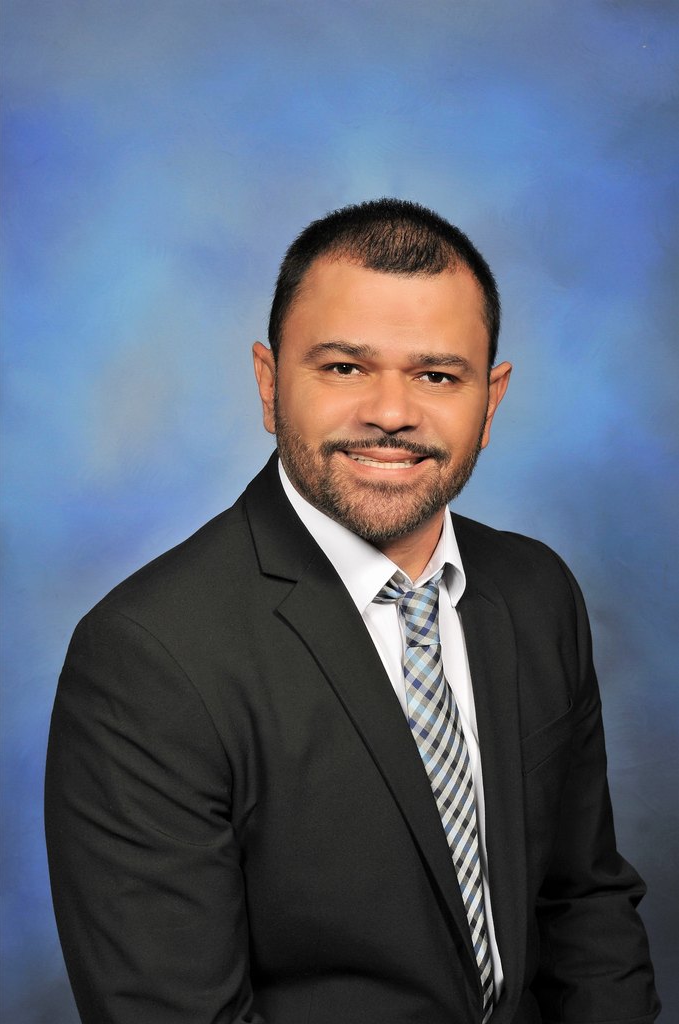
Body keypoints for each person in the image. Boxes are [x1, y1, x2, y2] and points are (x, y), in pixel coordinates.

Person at [45, 199, 660, 1024]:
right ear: (269, 385)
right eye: (343, 368)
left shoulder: (536, 591)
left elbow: (582, 906)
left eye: (436, 375)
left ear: (490, 399)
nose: (391, 413)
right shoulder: (148, 657)